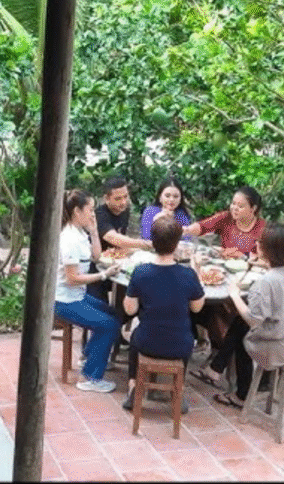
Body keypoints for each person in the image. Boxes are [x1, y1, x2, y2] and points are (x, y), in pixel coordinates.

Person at [199, 223, 284, 409]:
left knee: (243, 331)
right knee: (240, 323)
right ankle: (215, 368)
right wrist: (263, 263)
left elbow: (253, 320)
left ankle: (241, 394)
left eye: (259, 242)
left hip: (278, 348)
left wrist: (234, 294)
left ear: (266, 249)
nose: (256, 243)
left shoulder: (267, 282)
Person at [121, 216, 205, 412]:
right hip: (180, 346)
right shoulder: (188, 274)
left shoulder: (141, 272)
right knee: (184, 335)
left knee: (134, 334)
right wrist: (198, 270)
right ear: (177, 244)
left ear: (152, 241)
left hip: (147, 342)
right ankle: (179, 390)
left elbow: (129, 309)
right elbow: (197, 308)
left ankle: (133, 386)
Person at [54, 188, 123, 393]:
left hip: (77, 296)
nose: (94, 214)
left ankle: (89, 358)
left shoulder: (80, 233)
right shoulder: (69, 239)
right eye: (90, 210)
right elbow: (72, 278)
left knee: (115, 314)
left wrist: (94, 231)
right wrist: (103, 275)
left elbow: (96, 256)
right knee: (108, 325)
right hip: (65, 301)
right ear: (77, 211)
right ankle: (91, 378)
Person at [86, 176, 153, 304]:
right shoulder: (100, 215)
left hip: (115, 265)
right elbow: (114, 238)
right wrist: (144, 244)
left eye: (126, 197)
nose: (123, 202)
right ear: (106, 198)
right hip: (93, 269)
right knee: (103, 308)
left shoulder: (124, 211)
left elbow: (121, 241)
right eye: (118, 198)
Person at [184, 186, 266, 260]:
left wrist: (243, 257)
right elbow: (202, 226)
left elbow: (267, 260)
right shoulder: (226, 217)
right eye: (233, 203)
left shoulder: (263, 228)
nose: (235, 208)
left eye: (240, 206)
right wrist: (186, 230)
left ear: (253, 208)